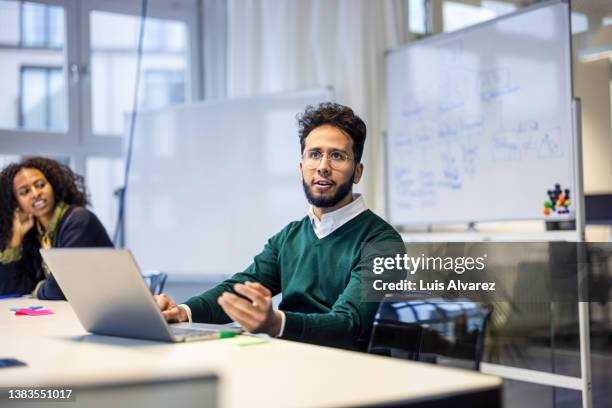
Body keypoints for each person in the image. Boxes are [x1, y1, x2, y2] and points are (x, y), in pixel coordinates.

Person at [156, 102, 403, 350]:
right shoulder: (289, 237)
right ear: (301, 167)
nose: (323, 166)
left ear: (357, 172)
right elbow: (238, 289)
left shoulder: (383, 243)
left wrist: (276, 323)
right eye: (314, 154)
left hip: (348, 374)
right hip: (287, 361)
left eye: (337, 155)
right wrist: (182, 312)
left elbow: (348, 324)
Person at [0, 157, 113, 300]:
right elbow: (9, 288)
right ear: (16, 203)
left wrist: (39, 289)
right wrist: (15, 240)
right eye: (25, 192)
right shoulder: (35, 232)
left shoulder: (79, 221)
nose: (35, 193)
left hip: (113, 307)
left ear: (53, 186)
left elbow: (64, 286)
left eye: (40, 185)